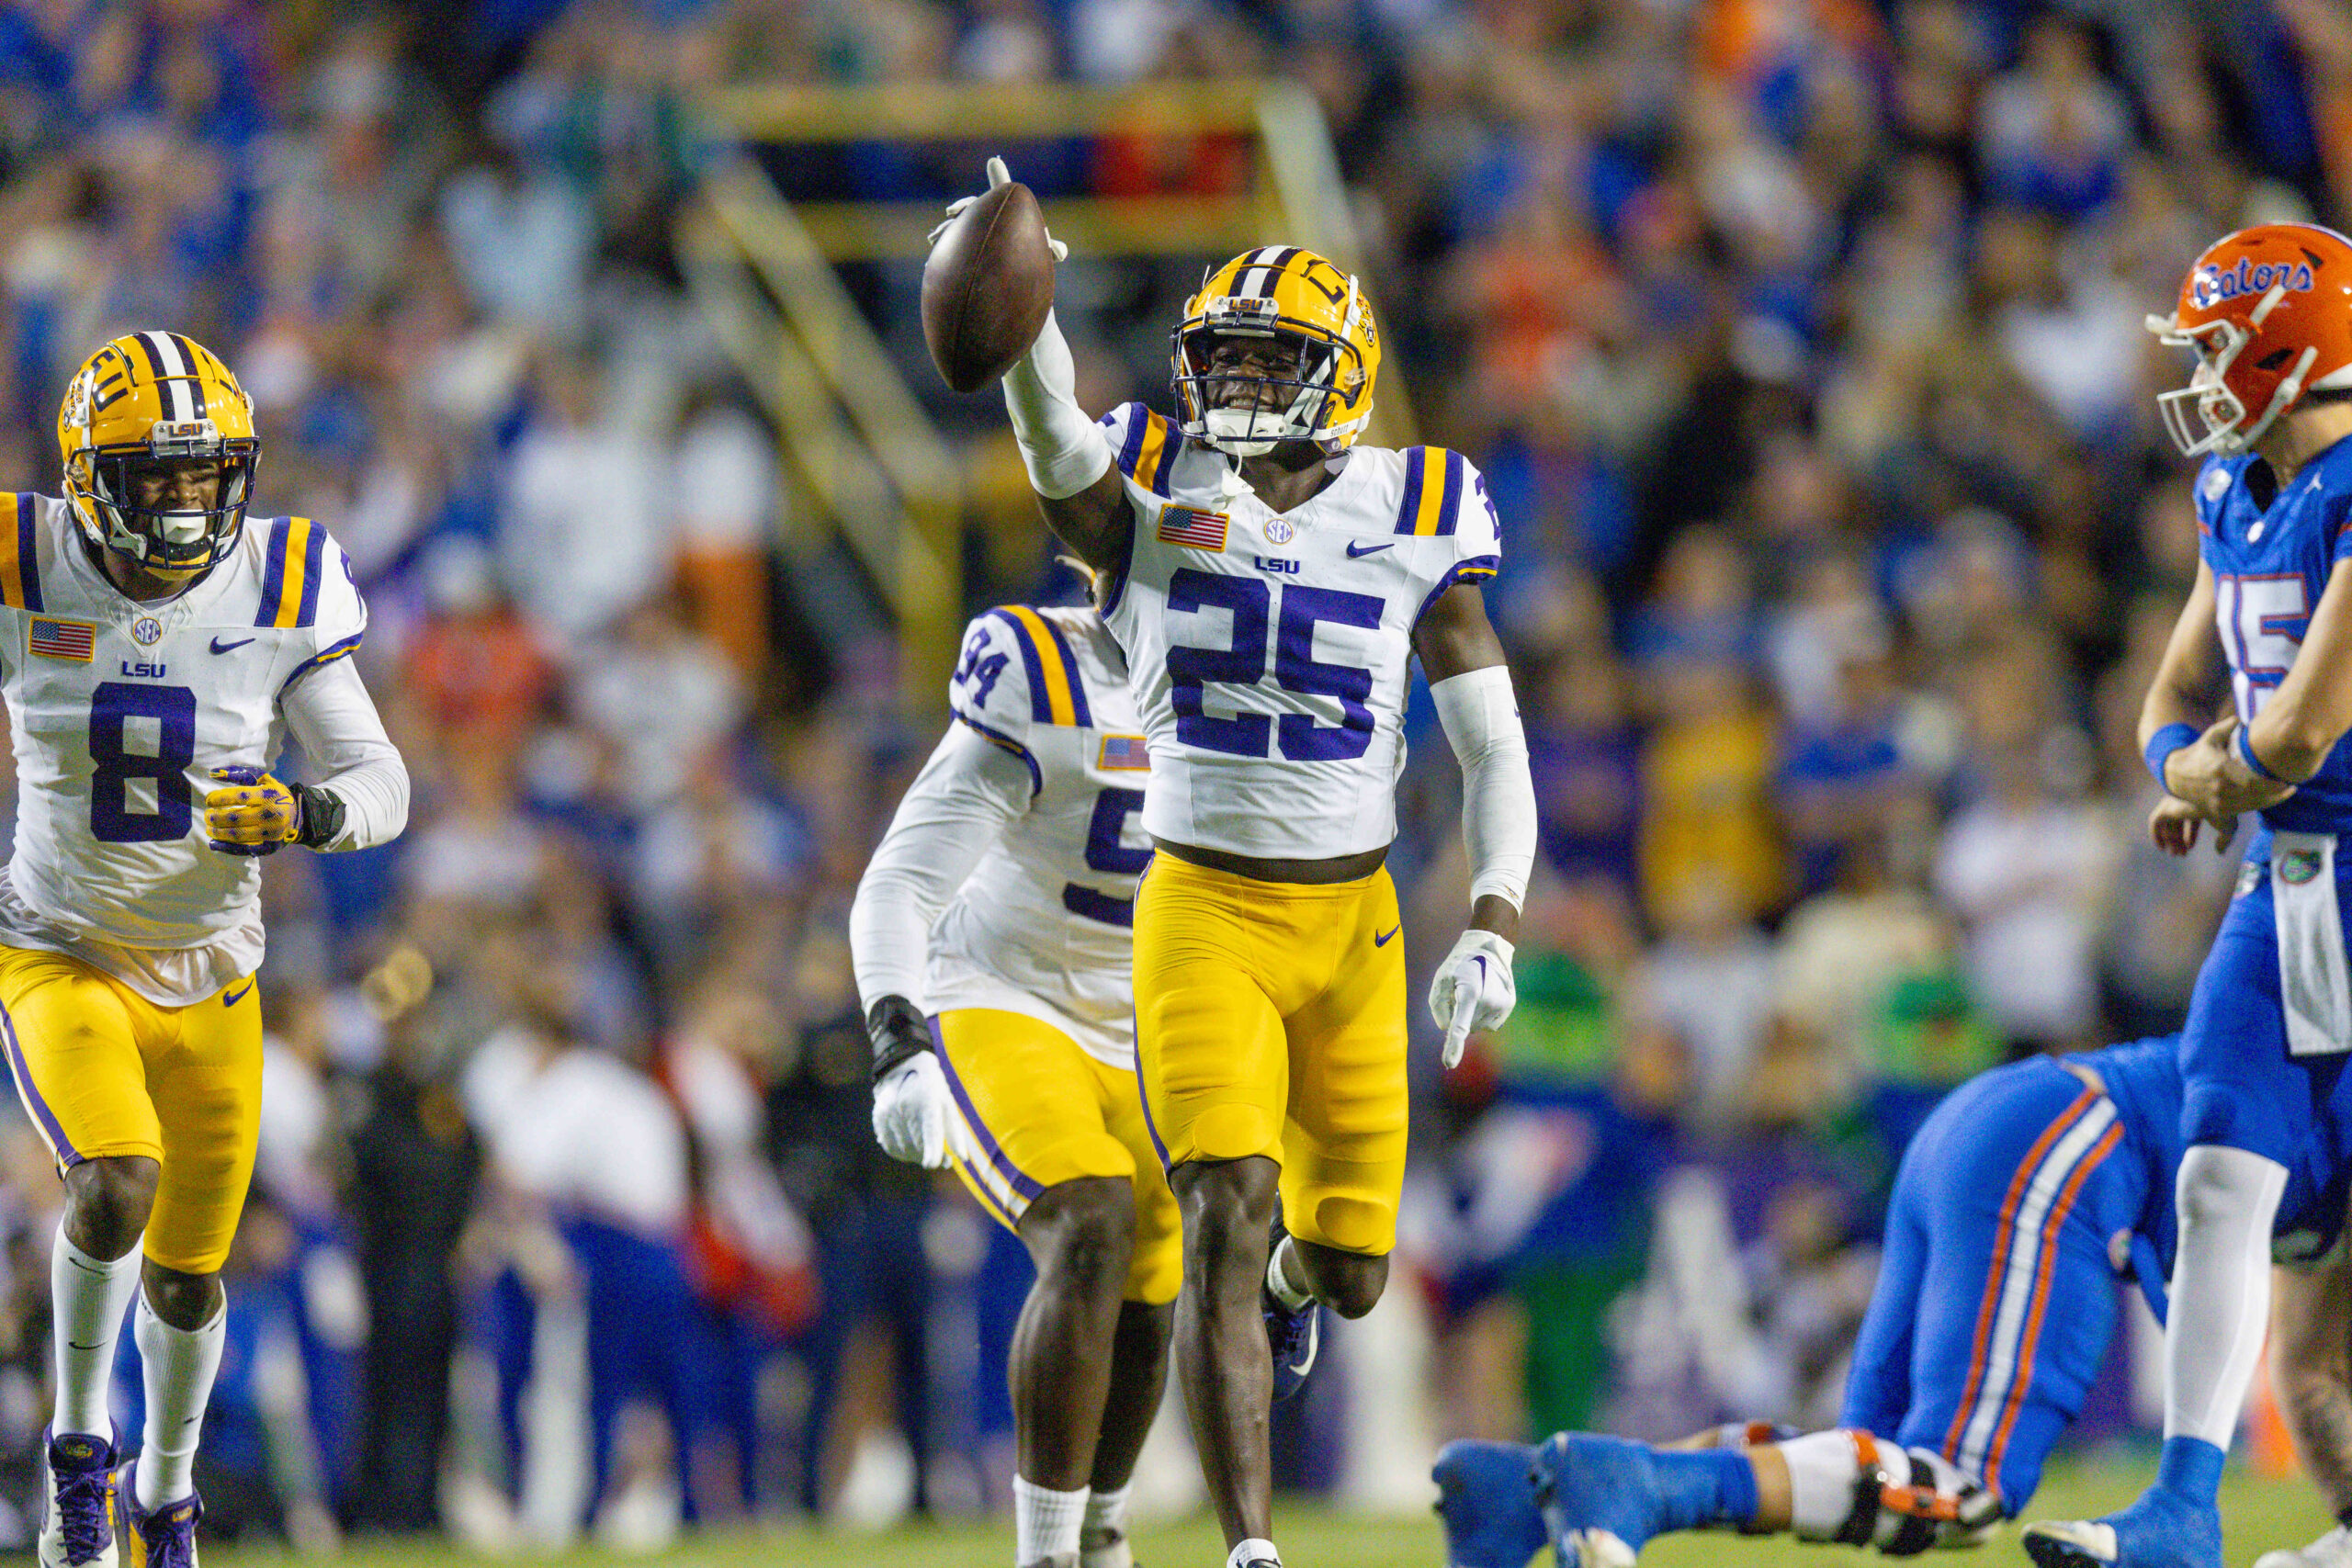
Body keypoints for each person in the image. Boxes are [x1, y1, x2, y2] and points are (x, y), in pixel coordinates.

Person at [952, 157, 1538, 1568]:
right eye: (1223, 359)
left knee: (1345, 1268)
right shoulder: (1154, 480)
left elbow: (1494, 745)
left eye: (1273, 363)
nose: (1238, 388)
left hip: (1357, 926)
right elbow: (1055, 454)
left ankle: (1289, 1287)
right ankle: (1250, 1546)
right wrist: (1027, 321)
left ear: (1342, 377)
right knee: (1223, 1199)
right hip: (1199, 904)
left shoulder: (1423, 505)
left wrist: (1495, 917)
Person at [5, 333, 409, 1567]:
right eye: (156, 476)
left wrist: (303, 812)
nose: (187, 500)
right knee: (112, 1179)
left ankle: (166, 1497)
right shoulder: (24, 558)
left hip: (216, 971)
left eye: (204, 472)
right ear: (86, 478)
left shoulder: (285, 573)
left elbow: (378, 775)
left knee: (188, 1277)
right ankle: (81, 1454)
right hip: (59, 949)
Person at [1435, 1035, 2351, 1568]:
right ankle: (1637, 1489)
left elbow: (2309, 1366)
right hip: (2066, 1152)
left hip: (2014, 1119)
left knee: (1878, 1468)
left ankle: (1526, 1495)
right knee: (1964, 1488)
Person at [2027, 223, 2352, 1568]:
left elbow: (2299, 735)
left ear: (2295, 340)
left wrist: (2216, 776)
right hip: (2286, 894)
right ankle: (2179, 1508)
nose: (2205, 373)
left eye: (2218, 343)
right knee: (2221, 1181)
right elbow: (2174, 700)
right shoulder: (2235, 486)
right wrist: (2197, 768)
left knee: (2322, 1311)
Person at [851, 592, 1175, 1568]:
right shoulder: (1042, 668)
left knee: (1159, 1277)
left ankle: (1102, 1528)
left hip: (1160, 1017)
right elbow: (903, 880)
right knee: (1088, 1216)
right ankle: (1045, 1556)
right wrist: (896, 1036)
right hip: (1008, 992)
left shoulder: (1253, 669)